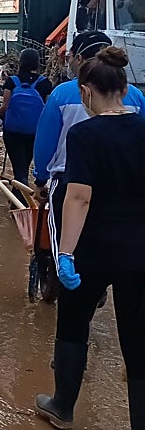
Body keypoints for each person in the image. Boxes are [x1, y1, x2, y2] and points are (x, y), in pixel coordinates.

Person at [33, 45, 145, 430]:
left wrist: (64, 254)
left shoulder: (86, 135)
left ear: (87, 92)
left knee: (74, 323)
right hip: (139, 252)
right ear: (126, 89)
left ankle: (62, 407)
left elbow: (78, 197)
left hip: (94, 248)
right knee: (137, 340)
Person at [33, 31, 145, 283]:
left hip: (67, 181)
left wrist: (40, 178)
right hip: (124, 186)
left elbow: (45, 141)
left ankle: (64, 270)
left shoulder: (62, 94)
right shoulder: (136, 97)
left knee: (65, 240)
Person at [0, 48, 52, 189]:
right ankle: (20, 192)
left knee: (18, 167)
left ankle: (19, 195)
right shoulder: (45, 83)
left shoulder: (12, 82)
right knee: (25, 163)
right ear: (37, 63)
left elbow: (5, 107)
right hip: (35, 132)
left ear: (21, 62)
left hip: (13, 131)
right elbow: (48, 110)